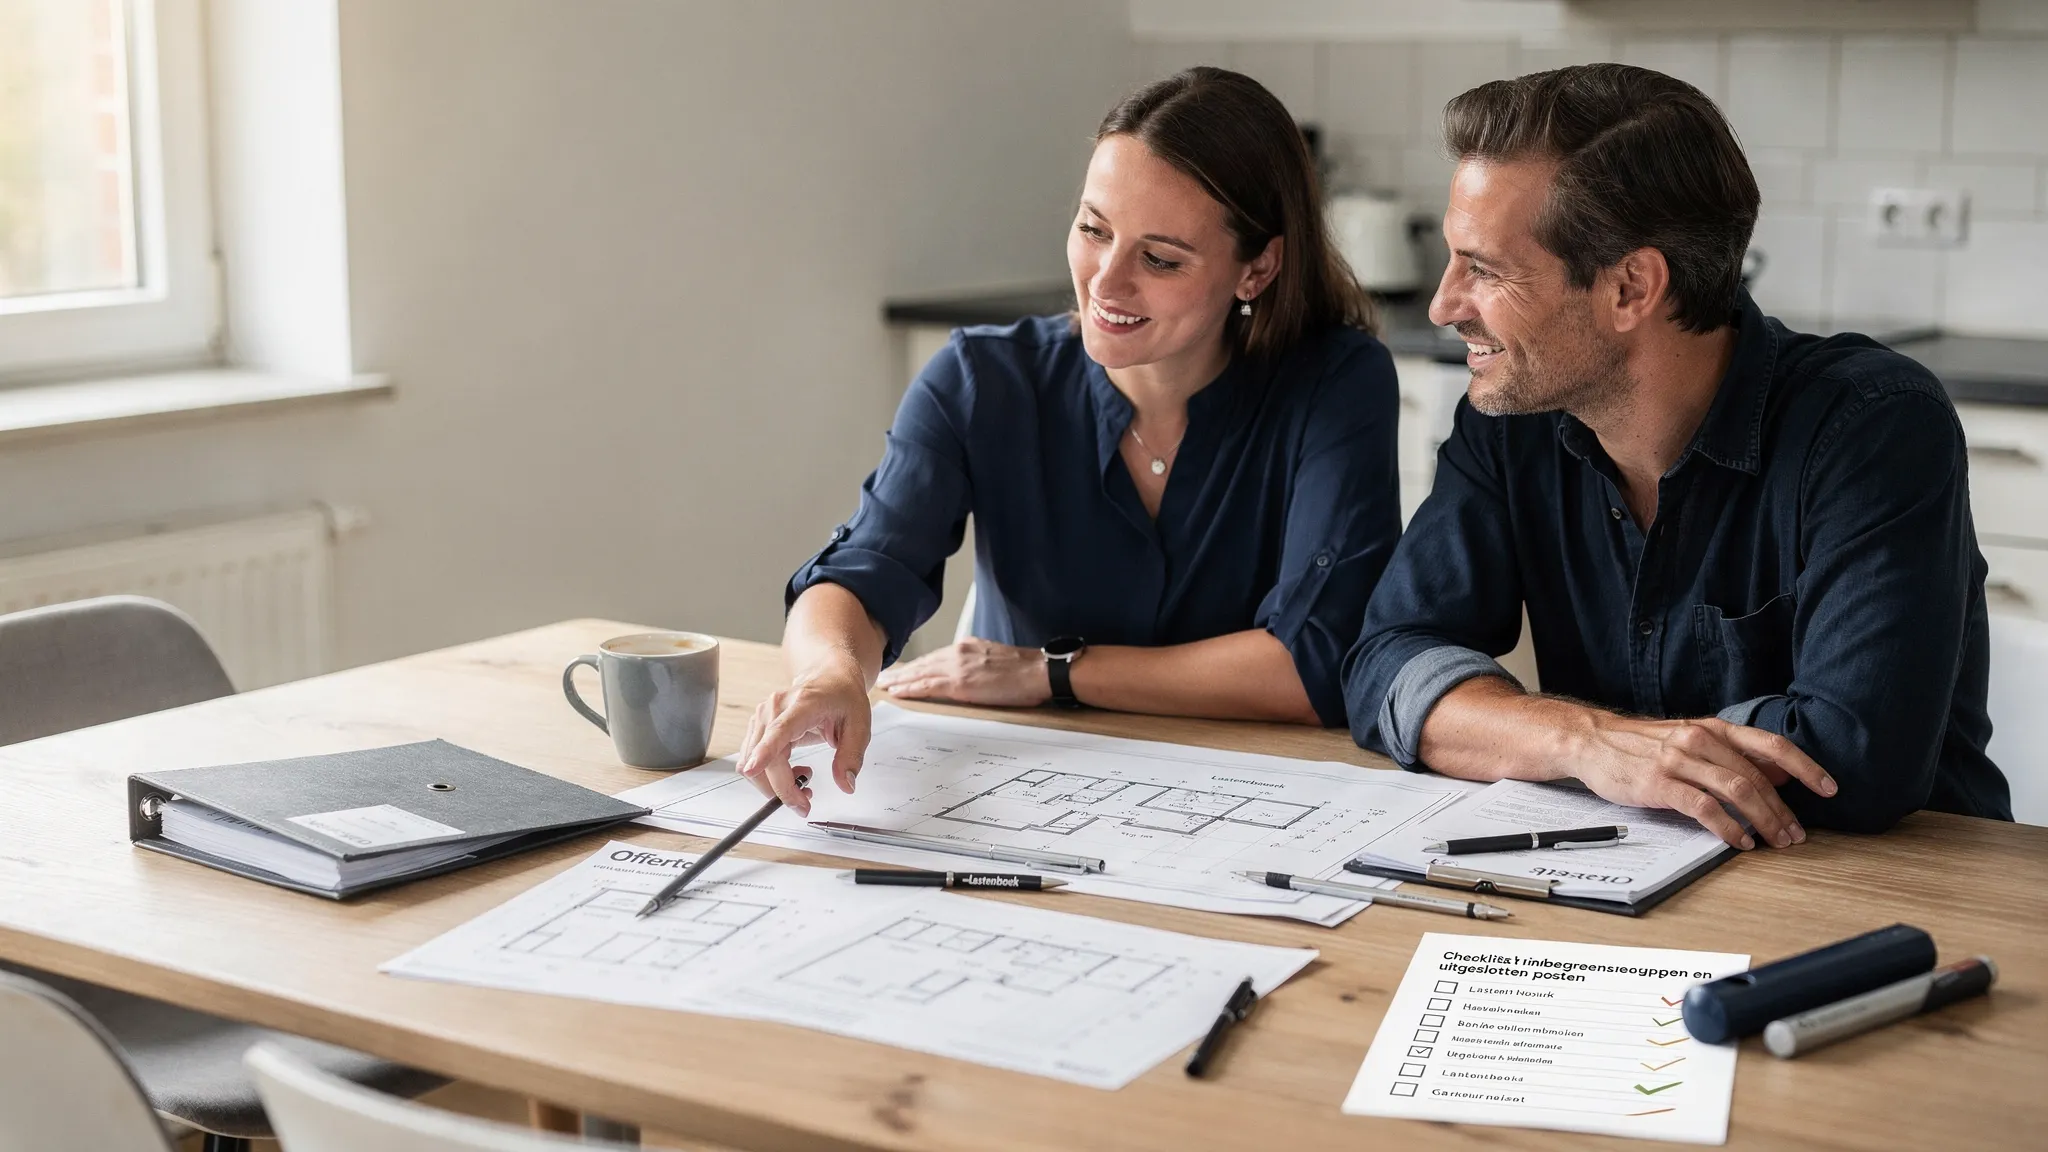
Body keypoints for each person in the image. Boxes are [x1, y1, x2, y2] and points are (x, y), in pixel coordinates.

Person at [1343, 64, 2012, 846]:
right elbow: (1384, 667)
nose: (1443, 305)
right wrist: (1583, 744)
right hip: (1633, 875)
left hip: (1899, 895)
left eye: (1484, 270)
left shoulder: (1873, 426)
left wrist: (1536, 731)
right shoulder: (1510, 415)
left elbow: (1854, 766)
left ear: (1631, 287)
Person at [739, 67, 1402, 814]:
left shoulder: (1338, 384)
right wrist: (829, 674)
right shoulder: (980, 379)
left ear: (1257, 269)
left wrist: (1050, 671)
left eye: (1160, 259)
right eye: (1093, 230)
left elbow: (1313, 664)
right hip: (1019, 795)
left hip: (1252, 799)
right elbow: (864, 571)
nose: (1105, 285)